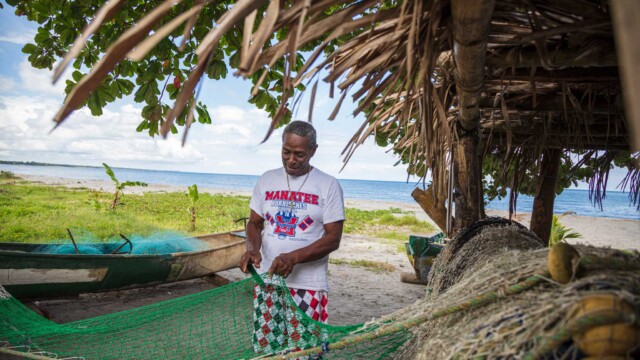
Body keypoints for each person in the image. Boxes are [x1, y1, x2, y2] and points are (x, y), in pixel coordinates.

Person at [239, 120, 345, 355]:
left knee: (305, 351)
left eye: (299, 154)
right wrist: (253, 249)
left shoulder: (328, 185)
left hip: (308, 286)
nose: (291, 159)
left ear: (313, 151)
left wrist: (294, 257)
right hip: (268, 282)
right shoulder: (267, 180)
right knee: (268, 350)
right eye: (286, 152)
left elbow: (333, 238)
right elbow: (255, 224)